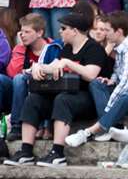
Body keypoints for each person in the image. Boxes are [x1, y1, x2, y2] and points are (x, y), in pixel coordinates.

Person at [3, 13, 105, 167]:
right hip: (65, 94)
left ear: (75, 31)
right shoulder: (67, 48)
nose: (60, 31)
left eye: (64, 28)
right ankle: (26, 151)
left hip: (87, 98)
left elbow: (91, 75)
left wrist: (68, 63)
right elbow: (53, 66)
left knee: (62, 99)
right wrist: (37, 67)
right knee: (34, 100)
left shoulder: (93, 48)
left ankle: (58, 153)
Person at [65, 10, 128, 148]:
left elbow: (126, 84)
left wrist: (109, 109)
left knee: (126, 95)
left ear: (119, 32)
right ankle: (109, 127)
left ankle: (91, 131)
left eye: (107, 30)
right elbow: (118, 71)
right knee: (96, 83)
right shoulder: (121, 47)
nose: (105, 33)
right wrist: (112, 80)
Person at [0, 14, 51, 142]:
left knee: (19, 78)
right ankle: (11, 124)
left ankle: (17, 126)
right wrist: (21, 48)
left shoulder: (52, 47)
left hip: (42, 91)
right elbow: (11, 73)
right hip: (18, 92)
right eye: (21, 31)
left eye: (27, 32)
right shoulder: (21, 48)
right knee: (9, 78)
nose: (22, 35)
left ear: (40, 33)